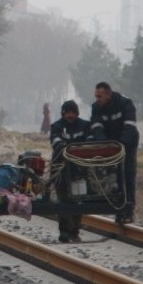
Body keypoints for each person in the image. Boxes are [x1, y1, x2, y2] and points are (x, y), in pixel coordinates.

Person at [88, 82, 139, 224]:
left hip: (127, 144)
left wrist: (121, 146)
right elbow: (96, 127)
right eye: (96, 96)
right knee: (111, 175)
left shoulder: (126, 104)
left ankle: (128, 210)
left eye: (100, 96)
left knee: (127, 174)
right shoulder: (96, 108)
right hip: (110, 145)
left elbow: (130, 127)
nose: (97, 99)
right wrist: (104, 145)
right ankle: (117, 207)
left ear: (109, 95)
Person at [49, 100, 92, 242]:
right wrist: (63, 147)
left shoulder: (85, 126)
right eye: (67, 112)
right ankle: (65, 232)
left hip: (79, 170)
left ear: (77, 113)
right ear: (63, 113)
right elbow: (55, 142)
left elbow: (91, 141)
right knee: (64, 200)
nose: (70, 115)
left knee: (78, 199)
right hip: (60, 169)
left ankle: (75, 231)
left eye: (73, 112)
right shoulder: (56, 126)